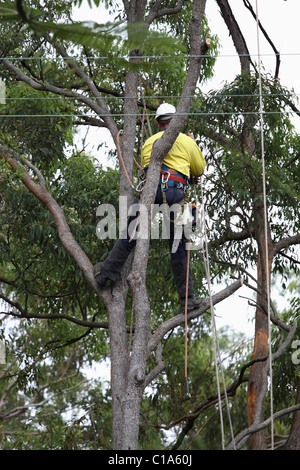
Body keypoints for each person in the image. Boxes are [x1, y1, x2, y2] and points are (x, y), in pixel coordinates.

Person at [94, 103, 206, 312]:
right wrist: (192, 144)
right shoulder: (185, 141)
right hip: (175, 192)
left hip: (150, 192)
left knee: (131, 232)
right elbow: (199, 168)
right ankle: (187, 298)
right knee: (178, 244)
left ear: (157, 123)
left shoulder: (148, 143)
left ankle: (106, 274)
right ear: (177, 120)